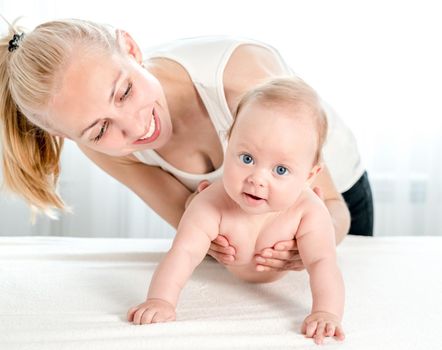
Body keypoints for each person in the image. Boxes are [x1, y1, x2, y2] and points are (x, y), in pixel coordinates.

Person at [0, 18, 373, 273]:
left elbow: (330, 206)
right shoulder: (98, 147)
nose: (135, 127)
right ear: (66, 135)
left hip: (334, 192)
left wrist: (304, 250)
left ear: (129, 47)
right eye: (99, 129)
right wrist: (225, 246)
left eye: (125, 91)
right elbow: (194, 223)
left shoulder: (241, 78)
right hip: (240, 216)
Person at [127, 77, 345, 344]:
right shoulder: (211, 203)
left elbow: (323, 263)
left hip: (284, 279)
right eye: (247, 158)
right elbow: (182, 253)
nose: (257, 178)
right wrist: (160, 300)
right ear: (228, 145)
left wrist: (325, 312)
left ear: (310, 176)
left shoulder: (308, 211)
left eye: (280, 170)